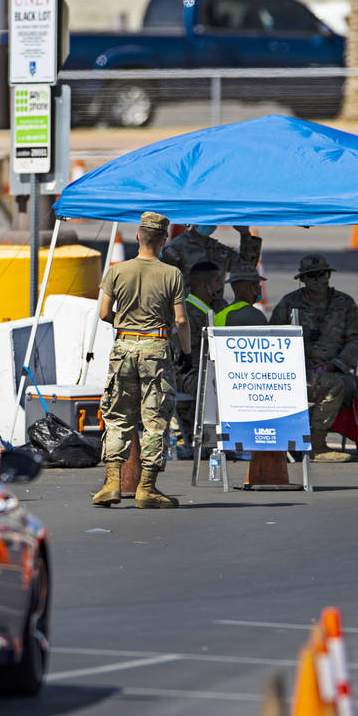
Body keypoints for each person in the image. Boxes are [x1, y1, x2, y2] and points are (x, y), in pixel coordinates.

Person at [92, 211, 191, 509]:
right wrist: (185, 349)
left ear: (137, 236)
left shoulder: (117, 271)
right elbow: (181, 319)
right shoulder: (171, 274)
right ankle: (146, 488)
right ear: (163, 240)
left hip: (123, 346)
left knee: (118, 415)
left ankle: (111, 483)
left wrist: (125, 326)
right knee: (155, 419)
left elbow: (104, 313)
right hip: (156, 348)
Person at [268, 254, 358, 462]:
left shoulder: (344, 303)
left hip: (336, 371)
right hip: (295, 376)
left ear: (329, 275)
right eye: (311, 276)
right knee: (333, 386)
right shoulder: (289, 303)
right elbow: (273, 337)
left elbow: (357, 339)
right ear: (302, 279)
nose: (317, 280)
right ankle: (316, 445)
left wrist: (337, 364)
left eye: (321, 275)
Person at [175, 261, 223, 441]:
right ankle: (208, 438)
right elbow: (179, 356)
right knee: (210, 386)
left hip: (213, 369)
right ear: (204, 286)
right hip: (186, 373)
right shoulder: (185, 311)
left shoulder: (219, 307)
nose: (221, 285)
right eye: (217, 281)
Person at [161, 224, 262, 298]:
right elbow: (165, 285)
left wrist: (245, 234)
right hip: (188, 313)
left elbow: (247, 268)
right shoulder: (175, 248)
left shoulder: (218, 249)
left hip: (216, 311)